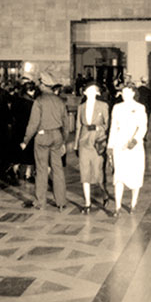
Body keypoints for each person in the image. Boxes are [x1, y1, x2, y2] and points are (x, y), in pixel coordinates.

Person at [20, 72, 69, 211]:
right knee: (57, 169)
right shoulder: (60, 101)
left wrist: (25, 140)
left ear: (43, 85)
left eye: (40, 83)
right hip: (57, 136)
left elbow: (33, 124)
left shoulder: (39, 101)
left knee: (41, 169)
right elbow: (66, 124)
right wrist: (63, 141)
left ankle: (40, 202)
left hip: (42, 137)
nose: (39, 85)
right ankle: (61, 202)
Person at [108, 83, 147, 218]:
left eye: (127, 92)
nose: (124, 95)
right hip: (119, 144)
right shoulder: (117, 107)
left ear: (133, 93)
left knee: (135, 174)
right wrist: (110, 146)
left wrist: (134, 141)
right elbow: (113, 127)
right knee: (119, 176)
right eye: (122, 92)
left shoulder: (140, 107)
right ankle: (117, 207)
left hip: (134, 146)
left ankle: (133, 203)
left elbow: (143, 127)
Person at [73, 80, 109, 213]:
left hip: (97, 142)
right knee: (84, 173)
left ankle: (104, 193)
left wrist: (98, 128)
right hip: (84, 142)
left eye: (94, 90)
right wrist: (76, 144)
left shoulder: (103, 106)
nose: (91, 92)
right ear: (85, 92)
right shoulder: (81, 107)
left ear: (97, 93)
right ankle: (87, 203)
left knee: (98, 173)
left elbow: (107, 124)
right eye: (89, 90)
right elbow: (78, 126)